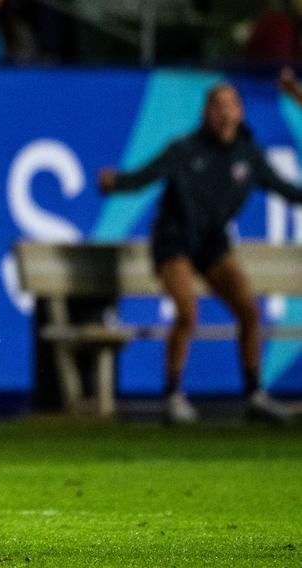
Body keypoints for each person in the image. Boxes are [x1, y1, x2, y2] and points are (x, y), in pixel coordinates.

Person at [99, 83, 302, 424]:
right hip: (174, 241)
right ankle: (173, 396)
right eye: (217, 105)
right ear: (207, 113)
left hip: (212, 244)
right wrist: (115, 183)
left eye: (231, 104)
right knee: (187, 312)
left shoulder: (248, 156)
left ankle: (255, 394)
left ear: (240, 112)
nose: (225, 111)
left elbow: (286, 189)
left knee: (248, 311)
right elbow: (144, 177)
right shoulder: (184, 150)